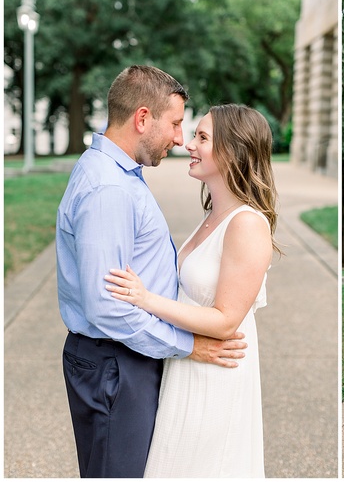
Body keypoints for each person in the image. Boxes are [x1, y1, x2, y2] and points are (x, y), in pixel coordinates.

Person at [56, 65, 247, 478]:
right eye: (176, 124)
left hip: (124, 359)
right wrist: (188, 346)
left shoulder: (118, 174)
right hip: (116, 365)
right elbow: (108, 308)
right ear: (143, 119)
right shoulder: (109, 189)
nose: (180, 138)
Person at [104, 103, 279, 477]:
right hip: (187, 367)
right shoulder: (213, 215)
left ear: (233, 150)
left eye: (202, 137)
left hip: (216, 375)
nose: (189, 144)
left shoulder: (247, 224)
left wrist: (146, 299)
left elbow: (225, 320)